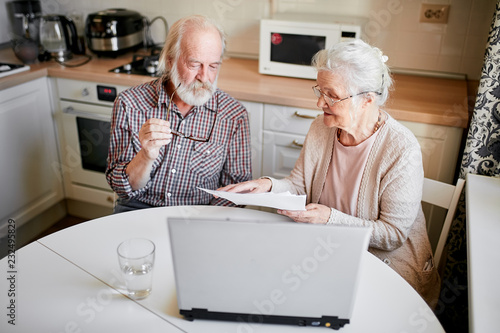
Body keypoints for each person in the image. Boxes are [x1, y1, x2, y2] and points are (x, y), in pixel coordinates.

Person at [218, 39, 440, 307]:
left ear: (366, 100)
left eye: (331, 95)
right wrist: (267, 186)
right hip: (327, 250)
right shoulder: (321, 128)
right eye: (319, 91)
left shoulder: (401, 150)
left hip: (385, 266)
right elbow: (298, 185)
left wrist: (330, 218)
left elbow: (392, 235)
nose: (319, 103)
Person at [106, 15, 252, 212]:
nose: (204, 77)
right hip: (137, 208)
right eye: (194, 64)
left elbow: (236, 192)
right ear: (170, 61)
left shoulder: (234, 115)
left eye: (213, 66)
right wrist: (146, 156)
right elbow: (121, 188)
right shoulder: (129, 104)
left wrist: (202, 223)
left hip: (201, 215)